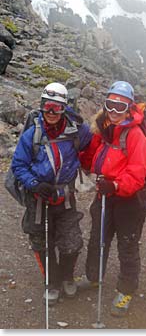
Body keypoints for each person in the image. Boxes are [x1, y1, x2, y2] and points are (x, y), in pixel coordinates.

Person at [11, 82, 92, 305]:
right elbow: (18, 165)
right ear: (41, 106)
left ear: (65, 108)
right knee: (41, 243)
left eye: (57, 107)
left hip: (65, 198)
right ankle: (52, 281)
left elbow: (95, 145)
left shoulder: (78, 131)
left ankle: (67, 276)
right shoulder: (32, 135)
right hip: (38, 199)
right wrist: (34, 184)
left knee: (72, 243)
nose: (52, 113)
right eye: (48, 107)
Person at [78, 81, 146, 317]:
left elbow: (138, 173)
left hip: (130, 200)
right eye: (110, 104)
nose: (114, 110)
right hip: (105, 194)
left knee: (127, 245)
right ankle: (93, 277)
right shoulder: (105, 130)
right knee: (97, 238)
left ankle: (126, 290)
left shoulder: (136, 136)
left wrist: (116, 185)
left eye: (120, 106)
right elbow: (92, 158)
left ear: (129, 108)